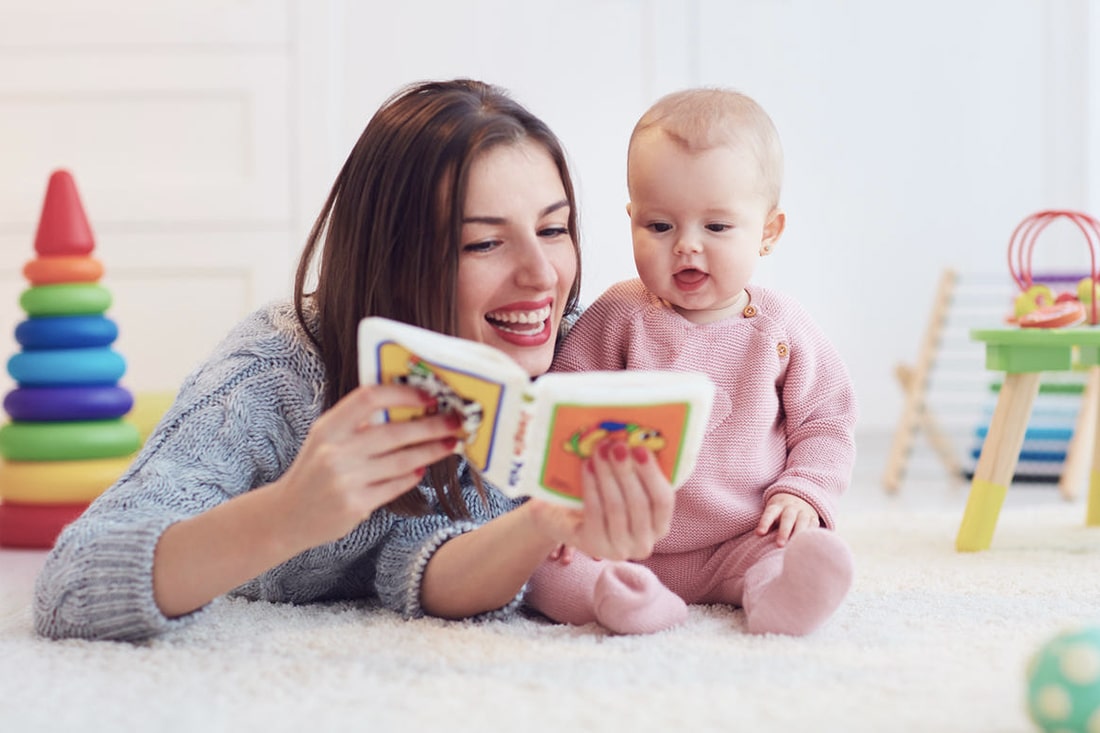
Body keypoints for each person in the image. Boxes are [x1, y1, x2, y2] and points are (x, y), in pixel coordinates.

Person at [32, 79, 677, 642]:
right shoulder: (276, 374)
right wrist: (288, 515)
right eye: (483, 242)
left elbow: (423, 566)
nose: (541, 276)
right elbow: (71, 585)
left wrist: (545, 522)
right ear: (394, 256)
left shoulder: (580, 355)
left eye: (553, 229)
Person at [524, 87, 858, 636]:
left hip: (741, 535)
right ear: (632, 218)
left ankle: (779, 596)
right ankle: (626, 601)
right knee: (545, 570)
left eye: (717, 227)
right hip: (619, 538)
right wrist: (560, 504)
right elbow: (561, 413)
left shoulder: (781, 327)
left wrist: (804, 491)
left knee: (786, 546)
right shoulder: (619, 315)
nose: (686, 246)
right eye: (660, 226)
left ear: (768, 232)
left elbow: (827, 418)